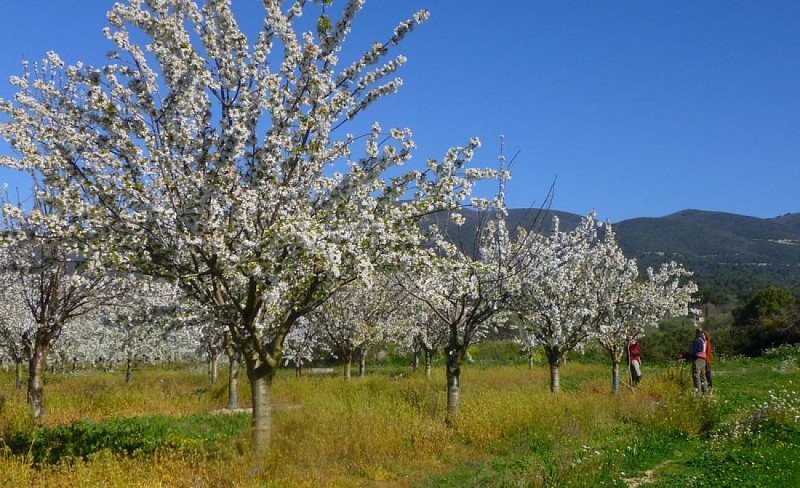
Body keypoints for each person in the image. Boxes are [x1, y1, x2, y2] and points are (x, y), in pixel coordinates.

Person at [683, 328, 709, 394]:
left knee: (696, 376)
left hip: (698, 360)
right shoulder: (704, 340)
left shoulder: (697, 340)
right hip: (703, 360)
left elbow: (692, 351)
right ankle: (705, 391)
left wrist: (685, 355)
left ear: (697, 333)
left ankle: (698, 392)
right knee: (703, 376)